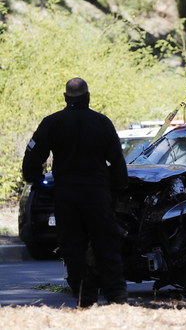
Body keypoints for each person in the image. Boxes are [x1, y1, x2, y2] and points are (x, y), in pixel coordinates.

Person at [22, 78, 128, 307]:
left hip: (66, 194)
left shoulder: (52, 122)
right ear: (88, 96)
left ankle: (84, 297)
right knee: (106, 244)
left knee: (73, 247)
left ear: (65, 97)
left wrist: (37, 180)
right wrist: (118, 190)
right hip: (97, 193)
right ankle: (117, 297)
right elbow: (118, 162)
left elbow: (32, 156)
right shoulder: (102, 122)